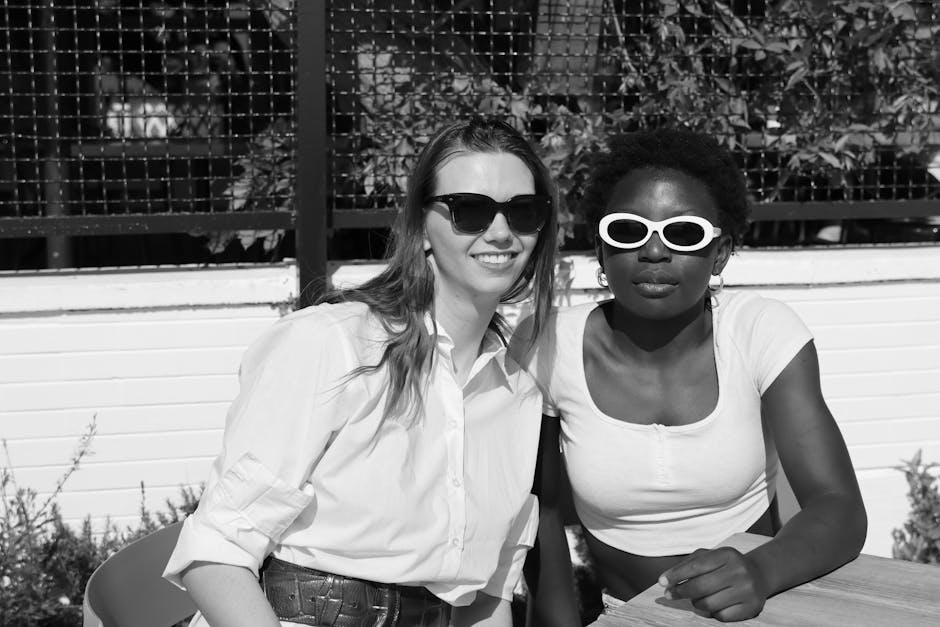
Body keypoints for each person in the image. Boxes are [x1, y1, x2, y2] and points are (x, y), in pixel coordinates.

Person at [162, 117, 559, 627]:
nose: (501, 232)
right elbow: (215, 552)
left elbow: (485, 598)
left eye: (523, 211)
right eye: (471, 211)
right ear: (421, 227)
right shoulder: (331, 345)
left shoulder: (518, 392)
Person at [515, 128, 867, 624]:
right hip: (623, 614)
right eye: (627, 231)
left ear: (719, 254)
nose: (654, 252)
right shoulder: (550, 346)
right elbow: (542, 516)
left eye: (683, 234)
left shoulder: (760, 331)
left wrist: (761, 571)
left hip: (762, 610)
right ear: (600, 251)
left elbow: (839, 508)